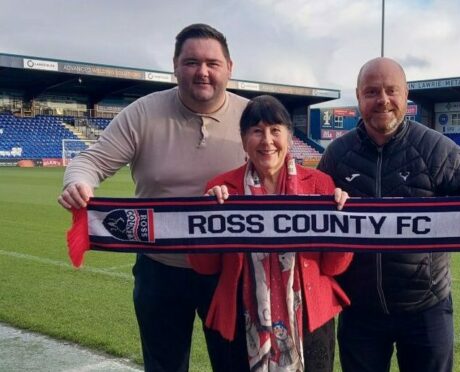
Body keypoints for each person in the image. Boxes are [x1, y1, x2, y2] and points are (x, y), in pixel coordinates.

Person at [317, 57, 460, 372]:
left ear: (406, 95)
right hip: (359, 311)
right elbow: (311, 209)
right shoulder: (336, 155)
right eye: (372, 92)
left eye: (391, 90)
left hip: (426, 308)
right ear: (358, 97)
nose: (382, 100)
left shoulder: (435, 148)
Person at [58, 23, 249, 372]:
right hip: (160, 268)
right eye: (191, 62)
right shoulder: (143, 113)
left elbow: (285, 180)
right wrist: (78, 182)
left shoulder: (252, 116)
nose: (202, 72)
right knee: (163, 366)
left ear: (229, 67)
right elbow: (91, 161)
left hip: (229, 270)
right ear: (175, 66)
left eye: (212, 63)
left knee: (236, 365)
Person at [189, 95, 353, 372]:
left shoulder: (320, 185)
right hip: (239, 323)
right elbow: (205, 267)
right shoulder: (221, 188)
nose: (267, 141)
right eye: (256, 131)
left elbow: (335, 266)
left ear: (289, 138)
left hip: (310, 321)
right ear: (243, 140)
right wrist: (207, 217)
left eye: (275, 130)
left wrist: (341, 223)